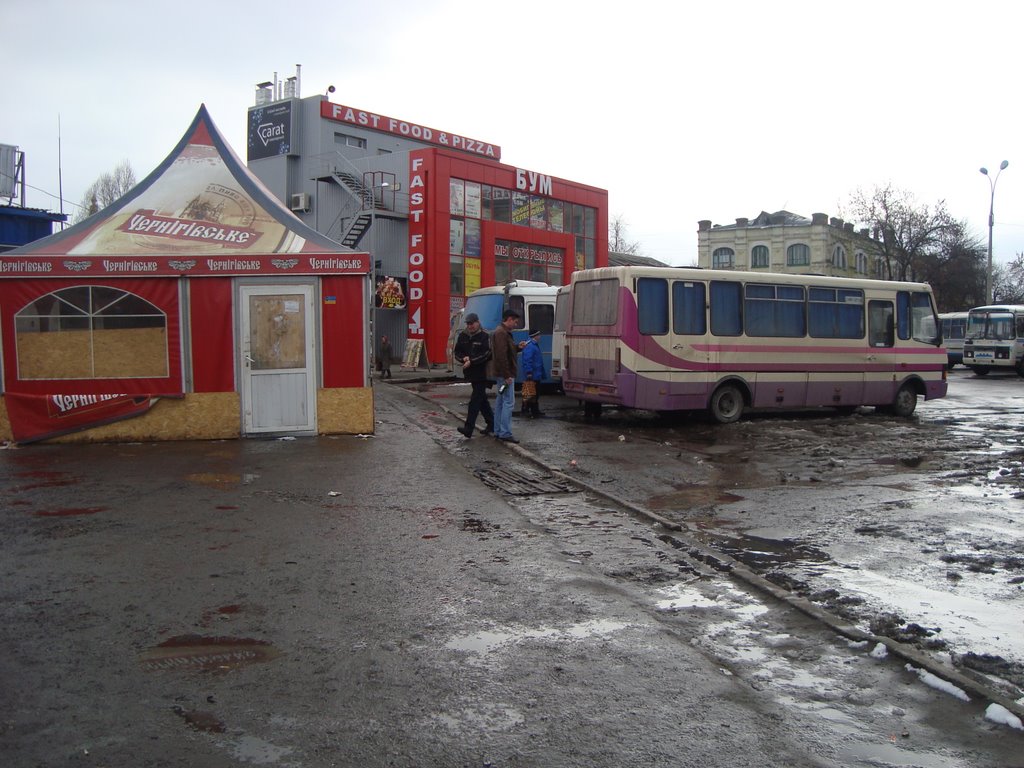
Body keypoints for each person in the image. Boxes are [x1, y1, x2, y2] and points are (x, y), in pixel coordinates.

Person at [452, 313, 494, 438]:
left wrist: (472, 361)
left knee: (475, 401)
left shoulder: (484, 336)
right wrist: (463, 358)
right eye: (468, 324)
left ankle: (468, 428)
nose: (470, 326)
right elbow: (457, 352)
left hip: (482, 373)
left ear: (478, 322)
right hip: (470, 373)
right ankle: (492, 423)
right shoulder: (463, 336)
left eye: (472, 323)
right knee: (482, 400)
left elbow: (487, 354)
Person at [490, 308, 524, 443]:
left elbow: (506, 351)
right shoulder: (502, 333)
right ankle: (505, 432)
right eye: (515, 322)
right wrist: (507, 375)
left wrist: (518, 347)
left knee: (500, 402)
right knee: (508, 402)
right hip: (505, 374)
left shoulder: (502, 332)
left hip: (501, 374)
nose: (515, 325)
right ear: (509, 319)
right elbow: (502, 356)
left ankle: (498, 430)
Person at [520, 328, 545, 418]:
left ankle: (534, 410)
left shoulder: (533, 345)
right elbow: (528, 360)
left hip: (536, 373)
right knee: (530, 392)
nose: (540, 336)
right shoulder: (530, 345)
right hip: (533, 374)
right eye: (539, 335)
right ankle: (528, 410)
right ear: (535, 336)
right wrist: (529, 372)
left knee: (533, 392)